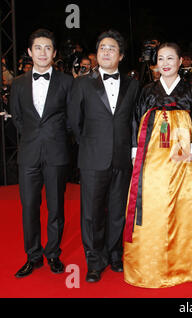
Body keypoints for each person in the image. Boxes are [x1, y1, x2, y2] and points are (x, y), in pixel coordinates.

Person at [123, 42, 192, 288]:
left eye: (171, 58)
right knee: (153, 205)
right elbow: (136, 120)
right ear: (156, 64)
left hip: (184, 157)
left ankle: (190, 262)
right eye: (161, 59)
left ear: (180, 62)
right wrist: (136, 152)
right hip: (153, 158)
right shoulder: (147, 91)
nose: (165, 63)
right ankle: (150, 261)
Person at [67, 30, 140, 283]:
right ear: (97, 54)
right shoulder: (82, 83)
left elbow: (133, 121)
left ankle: (115, 254)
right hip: (92, 158)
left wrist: (131, 150)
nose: (106, 52)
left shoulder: (132, 84)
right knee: (92, 213)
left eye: (112, 48)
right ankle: (94, 261)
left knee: (118, 211)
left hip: (122, 158)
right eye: (102, 48)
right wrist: (90, 144)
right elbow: (74, 123)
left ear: (120, 55)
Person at [10, 29, 73, 278]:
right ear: (29, 52)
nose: (43, 52)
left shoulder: (67, 82)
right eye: (38, 47)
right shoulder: (17, 83)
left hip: (57, 152)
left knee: (56, 207)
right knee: (29, 207)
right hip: (28, 154)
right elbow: (17, 117)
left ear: (54, 53)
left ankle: (53, 253)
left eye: (48, 48)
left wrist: (54, 136)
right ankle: (33, 255)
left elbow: (71, 119)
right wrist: (34, 138)